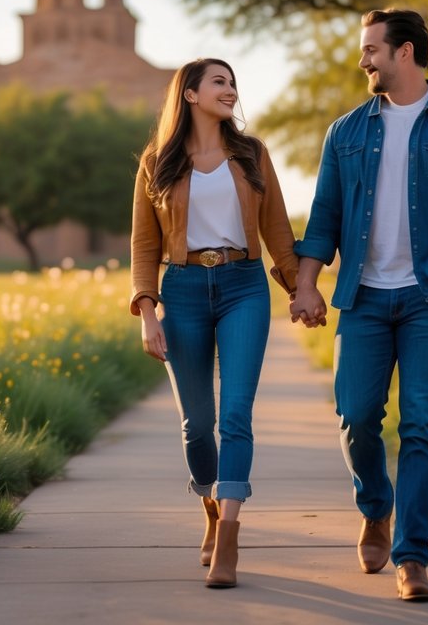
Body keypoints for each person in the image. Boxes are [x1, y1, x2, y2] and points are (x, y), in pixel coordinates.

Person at [289, 9, 428, 602]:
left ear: (405, 52)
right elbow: (325, 218)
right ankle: (375, 508)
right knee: (356, 417)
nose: (363, 60)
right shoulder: (346, 132)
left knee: (420, 426)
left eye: (371, 50)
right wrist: (307, 283)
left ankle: (412, 558)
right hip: (362, 298)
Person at [130, 57, 319, 589]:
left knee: (236, 414)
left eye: (234, 82)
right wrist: (147, 312)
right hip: (183, 291)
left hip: (244, 285)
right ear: (189, 94)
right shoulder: (157, 162)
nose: (231, 90)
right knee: (196, 425)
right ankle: (211, 512)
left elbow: (278, 227)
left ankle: (230, 540)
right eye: (220, 82)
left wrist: (299, 288)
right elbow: (144, 243)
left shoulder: (252, 153)